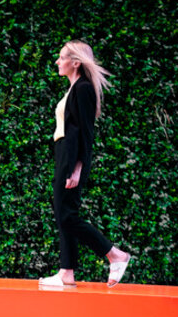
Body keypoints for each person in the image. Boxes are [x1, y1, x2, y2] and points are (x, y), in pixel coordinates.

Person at [38, 41, 132, 288]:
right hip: (64, 155)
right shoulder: (74, 89)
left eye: (62, 58)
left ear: (76, 62)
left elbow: (85, 133)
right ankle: (66, 272)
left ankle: (115, 254)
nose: (58, 62)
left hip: (72, 159)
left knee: (67, 216)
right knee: (64, 214)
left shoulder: (83, 89)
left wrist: (77, 166)